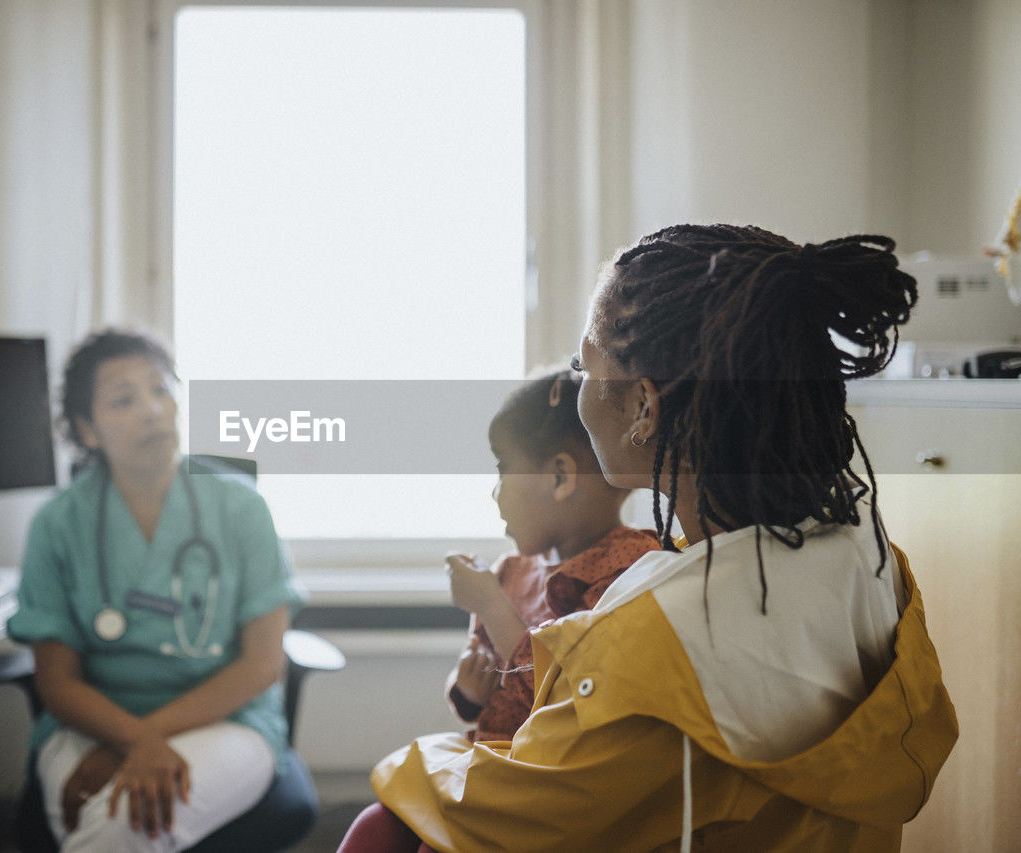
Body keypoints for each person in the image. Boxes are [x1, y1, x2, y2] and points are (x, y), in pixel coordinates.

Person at [344, 226, 958, 851]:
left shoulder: (656, 640)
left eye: (585, 365)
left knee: (382, 829)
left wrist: (410, 764)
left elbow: (512, 818)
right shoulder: (872, 559)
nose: (579, 384)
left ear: (643, 407)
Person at [6, 328, 305, 851]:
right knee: (112, 817)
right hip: (90, 726)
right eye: (124, 399)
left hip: (226, 722)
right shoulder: (57, 525)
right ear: (87, 430)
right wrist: (130, 739)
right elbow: (56, 680)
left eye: (161, 389)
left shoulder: (242, 509)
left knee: (125, 820)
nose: (151, 409)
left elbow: (261, 664)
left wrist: (141, 740)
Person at [443, 368, 658, 743]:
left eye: (502, 469)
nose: (495, 493)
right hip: (495, 760)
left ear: (559, 477)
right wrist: (469, 690)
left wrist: (493, 607)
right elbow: (475, 695)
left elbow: (568, 692)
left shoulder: (630, 568)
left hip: (553, 777)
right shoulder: (510, 572)